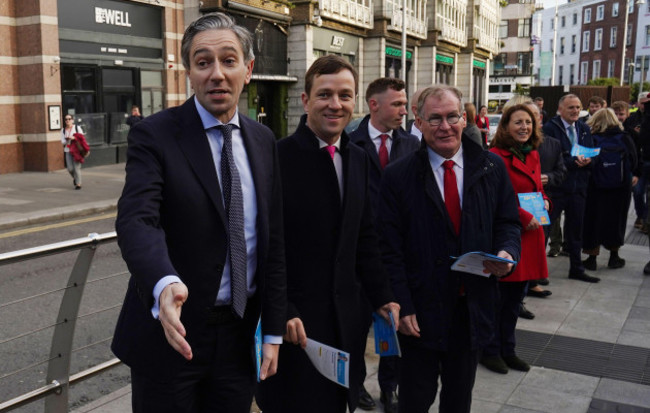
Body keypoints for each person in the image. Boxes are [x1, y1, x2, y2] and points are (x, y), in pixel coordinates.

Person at [111, 13, 287, 413]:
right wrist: (162, 282)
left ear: (248, 68)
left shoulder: (263, 140)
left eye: (229, 60)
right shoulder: (155, 134)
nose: (217, 74)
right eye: (203, 62)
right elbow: (138, 219)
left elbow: (272, 243)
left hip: (241, 337)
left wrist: (273, 330)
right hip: (173, 333)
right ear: (189, 71)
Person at [256, 55, 400, 413]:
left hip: (346, 321)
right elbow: (264, 244)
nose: (335, 104)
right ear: (306, 101)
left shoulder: (358, 158)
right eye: (324, 95)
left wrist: (382, 295)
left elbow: (365, 235)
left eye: (344, 95)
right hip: (297, 325)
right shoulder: (277, 159)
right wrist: (282, 310)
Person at [378, 85, 521, 413]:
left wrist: (507, 253)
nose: (445, 126)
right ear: (419, 121)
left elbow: (508, 223)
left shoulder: (491, 168)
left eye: (452, 116)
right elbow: (389, 248)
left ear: (464, 118)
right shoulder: (398, 176)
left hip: (470, 308)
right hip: (420, 313)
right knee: (415, 398)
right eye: (435, 118)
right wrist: (403, 303)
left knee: (459, 399)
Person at [349, 77, 419, 413]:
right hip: (358, 256)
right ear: (373, 105)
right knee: (357, 325)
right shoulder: (350, 142)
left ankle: (389, 386)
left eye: (405, 105)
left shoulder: (412, 145)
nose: (404, 111)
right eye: (397, 104)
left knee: (392, 322)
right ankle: (357, 384)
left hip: (397, 254)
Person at [481, 104, 549, 374]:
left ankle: (508, 349)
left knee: (515, 302)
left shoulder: (532, 154)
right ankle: (490, 350)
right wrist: (521, 216)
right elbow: (494, 197)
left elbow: (539, 189)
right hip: (508, 235)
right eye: (518, 122)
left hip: (532, 235)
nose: (524, 127)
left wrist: (546, 203)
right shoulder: (494, 156)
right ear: (506, 126)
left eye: (528, 122)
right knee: (499, 301)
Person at [543, 94, 600, 283]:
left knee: (575, 231)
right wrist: (575, 162)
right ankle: (538, 273)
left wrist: (590, 159)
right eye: (571, 108)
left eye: (578, 107)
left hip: (578, 188)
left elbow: (592, 151)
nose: (575, 111)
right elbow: (551, 157)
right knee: (544, 230)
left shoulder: (584, 128)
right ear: (560, 110)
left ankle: (576, 268)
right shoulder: (550, 128)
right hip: (557, 189)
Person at [581, 108, 638, 270]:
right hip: (620, 187)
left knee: (593, 220)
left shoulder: (591, 138)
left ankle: (592, 257)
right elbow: (633, 160)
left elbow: (584, 161)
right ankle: (614, 256)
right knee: (616, 220)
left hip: (595, 187)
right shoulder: (625, 137)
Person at [61, 115, 88, 190]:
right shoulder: (63, 130)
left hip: (77, 151)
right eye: (66, 119)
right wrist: (67, 140)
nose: (67, 120)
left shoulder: (77, 128)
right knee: (70, 169)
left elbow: (82, 137)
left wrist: (74, 138)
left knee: (76, 168)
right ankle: (76, 179)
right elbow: (62, 141)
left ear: (72, 120)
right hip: (68, 150)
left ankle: (78, 184)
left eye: (69, 119)